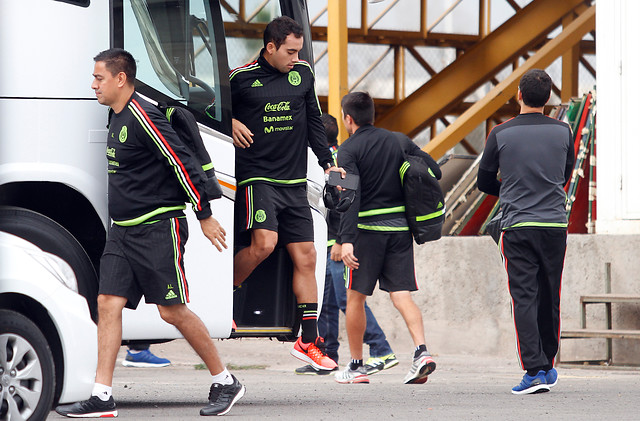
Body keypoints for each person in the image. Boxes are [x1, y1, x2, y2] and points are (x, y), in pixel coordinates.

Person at [56, 48, 244, 418]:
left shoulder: (144, 116)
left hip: (159, 228)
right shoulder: (115, 114)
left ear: (120, 78)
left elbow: (181, 162)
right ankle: (103, 395)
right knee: (108, 305)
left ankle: (225, 380)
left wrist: (204, 215)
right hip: (122, 231)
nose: (93, 84)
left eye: (99, 78)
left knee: (171, 311)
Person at [229, 16, 342, 372]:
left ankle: (307, 341)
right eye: (289, 51)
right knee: (263, 244)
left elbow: (313, 122)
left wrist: (328, 164)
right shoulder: (239, 78)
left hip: (293, 183)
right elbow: (205, 112)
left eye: (299, 51)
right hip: (257, 178)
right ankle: (223, 298)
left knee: (307, 255)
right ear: (271, 47)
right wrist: (228, 122)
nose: (295, 57)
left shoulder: (303, 75)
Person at [477, 68, 574, 395]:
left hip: (517, 224)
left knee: (524, 296)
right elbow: (565, 174)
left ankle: (533, 370)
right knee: (550, 292)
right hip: (554, 224)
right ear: (549, 98)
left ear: (519, 95)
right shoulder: (564, 131)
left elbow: (483, 181)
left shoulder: (500, 133)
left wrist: (509, 188)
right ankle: (547, 365)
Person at [334, 92, 438, 385]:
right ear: (373, 115)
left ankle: (356, 367)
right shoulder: (398, 140)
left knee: (355, 298)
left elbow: (350, 197)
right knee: (401, 295)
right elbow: (434, 169)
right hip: (400, 232)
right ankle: (422, 353)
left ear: (348, 119)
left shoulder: (348, 150)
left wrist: (346, 239)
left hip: (366, 233)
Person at [296, 113, 397, 376]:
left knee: (346, 300)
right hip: (327, 240)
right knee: (326, 303)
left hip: (338, 242)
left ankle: (380, 348)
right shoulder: (324, 158)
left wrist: (341, 241)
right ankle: (327, 356)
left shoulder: (335, 161)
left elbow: (345, 203)